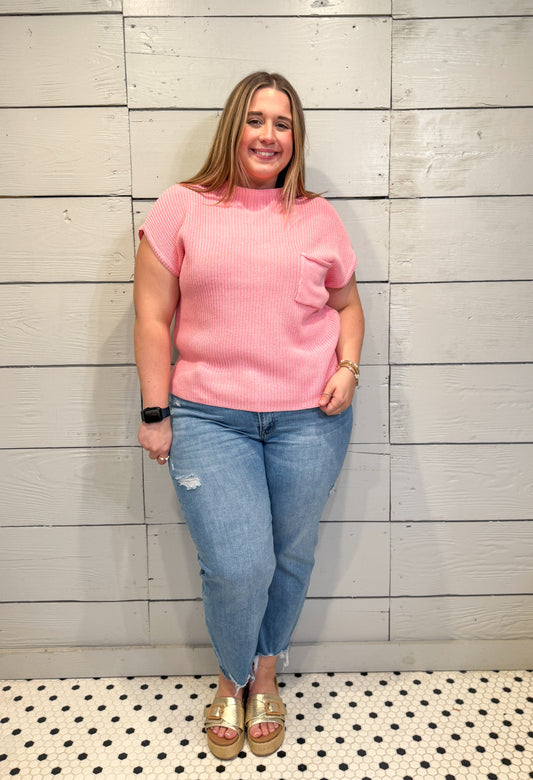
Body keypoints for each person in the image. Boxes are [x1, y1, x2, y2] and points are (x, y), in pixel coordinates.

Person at [133, 71, 364, 760]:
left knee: (291, 555)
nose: (269, 135)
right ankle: (228, 677)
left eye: (283, 123)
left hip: (310, 420)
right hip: (208, 418)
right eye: (257, 120)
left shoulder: (318, 215)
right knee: (236, 564)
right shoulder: (182, 206)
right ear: (233, 126)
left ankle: (264, 674)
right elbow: (151, 316)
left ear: (296, 137)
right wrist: (154, 410)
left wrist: (347, 369)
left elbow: (346, 307)